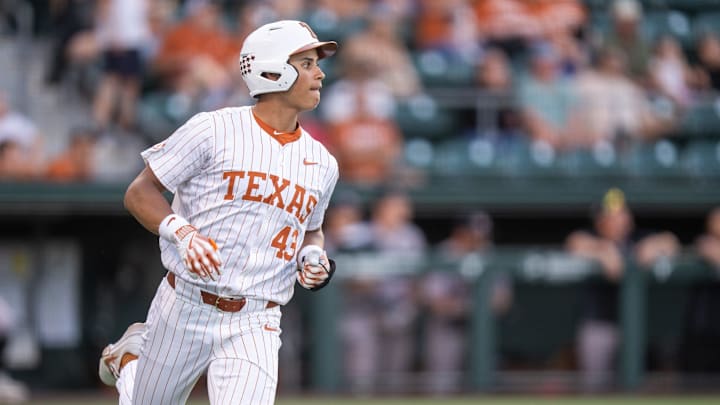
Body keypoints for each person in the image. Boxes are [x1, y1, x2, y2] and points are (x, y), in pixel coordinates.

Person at [97, 20, 340, 404]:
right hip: (186, 304)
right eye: (307, 63)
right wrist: (182, 232)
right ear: (272, 69)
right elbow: (139, 192)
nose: (320, 73)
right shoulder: (214, 128)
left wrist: (311, 253)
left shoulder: (322, 162)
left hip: (257, 316)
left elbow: (311, 229)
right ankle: (130, 360)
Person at [565, 188, 680, 392]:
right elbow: (573, 242)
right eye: (611, 216)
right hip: (598, 323)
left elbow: (671, 241)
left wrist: (653, 246)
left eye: (621, 214)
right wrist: (602, 250)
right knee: (594, 387)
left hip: (634, 324)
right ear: (599, 221)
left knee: (636, 386)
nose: (618, 220)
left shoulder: (639, 238)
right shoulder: (591, 237)